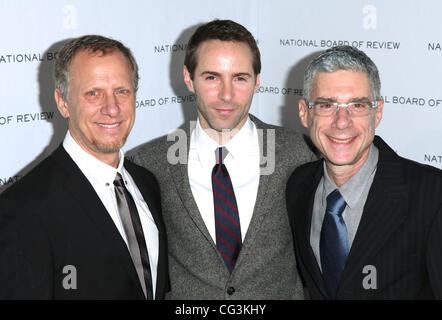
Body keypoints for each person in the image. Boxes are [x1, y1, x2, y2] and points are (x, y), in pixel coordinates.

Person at [128, 19, 316, 299]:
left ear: (257, 81)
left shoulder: (301, 153)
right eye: (212, 77)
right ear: (189, 79)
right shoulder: (147, 164)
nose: (226, 95)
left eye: (240, 78)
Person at [0, 35, 168, 299]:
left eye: (121, 91)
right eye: (94, 93)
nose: (112, 108)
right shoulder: (24, 209)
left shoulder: (148, 183)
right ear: (63, 103)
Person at [286, 45, 442, 299]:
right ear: (304, 112)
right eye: (327, 105)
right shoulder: (298, 186)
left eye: (357, 105)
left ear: (377, 112)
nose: (342, 121)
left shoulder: (432, 195)